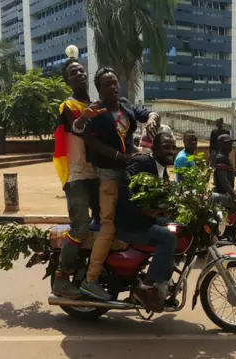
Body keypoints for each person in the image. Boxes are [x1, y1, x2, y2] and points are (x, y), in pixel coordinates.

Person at [77, 67, 158, 300]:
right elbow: (90, 141)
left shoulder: (124, 105)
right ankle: (91, 279)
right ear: (99, 89)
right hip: (109, 174)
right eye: (107, 84)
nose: (113, 86)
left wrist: (152, 119)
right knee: (108, 224)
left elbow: (147, 113)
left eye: (115, 82)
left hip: (130, 171)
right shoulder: (95, 112)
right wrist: (120, 157)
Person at [52, 58, 105, 299]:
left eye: (82, 71)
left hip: (97, 172)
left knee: (105, 222)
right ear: (68, 81)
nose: (80, 75)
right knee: (80, 226)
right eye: (74, 73)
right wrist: (85, 116)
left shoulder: (97, 103)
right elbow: (74, 127)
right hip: (76, 174)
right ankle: (61, 277)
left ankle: (91, 271)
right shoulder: (67, 106)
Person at [115, 132, 178, 312]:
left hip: (144, 220)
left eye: (173, 148)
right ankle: (146, 288)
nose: (171, 151)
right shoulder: (142, 162)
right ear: (154, 148)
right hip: (129, 223)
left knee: (178, 228)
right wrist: (141, 209)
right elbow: (125, 187)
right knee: (168, 238)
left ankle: (164, 277)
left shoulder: (162, 171)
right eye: (166, 147)